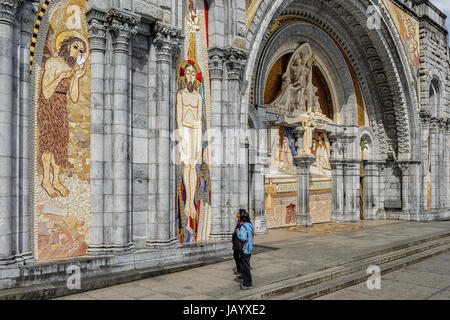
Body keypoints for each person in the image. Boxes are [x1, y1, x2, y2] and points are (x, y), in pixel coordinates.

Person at [236, 209, 255, 290]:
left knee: (245, 267)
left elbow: (243, 238)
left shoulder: (244, 226)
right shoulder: (250, 225)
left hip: (245, 248)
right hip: (249, 247)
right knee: (246, 265)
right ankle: (247, 282)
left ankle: (247, 284)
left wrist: (238, 232)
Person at [231, 210, 245, 277]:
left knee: (241, 257)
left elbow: (240, 232)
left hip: (240, 242)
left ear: (240, 214)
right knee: (236, 255)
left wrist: (237, 232)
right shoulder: (239, 221)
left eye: (238, 212)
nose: (236, 213)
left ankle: (242, 272)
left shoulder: (242, 222)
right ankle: (239, 269)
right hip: (236, 242)